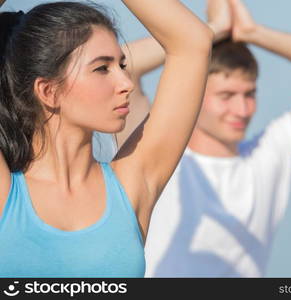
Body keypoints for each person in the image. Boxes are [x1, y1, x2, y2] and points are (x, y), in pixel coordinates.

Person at [95, 0, 291, 277]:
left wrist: (253, 33)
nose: (242, 110)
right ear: (195, 93)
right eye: (226, 96)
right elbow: (124, 65)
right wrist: (211, 31)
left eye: (249, 94)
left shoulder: (268, 157)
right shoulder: (154, 153)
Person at [0, 0, 213, 277]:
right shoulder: (7, 197)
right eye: (102, 68)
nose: (126, 83)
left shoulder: (131, 187)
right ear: (48, 91)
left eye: (122, 65)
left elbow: (192, 42)